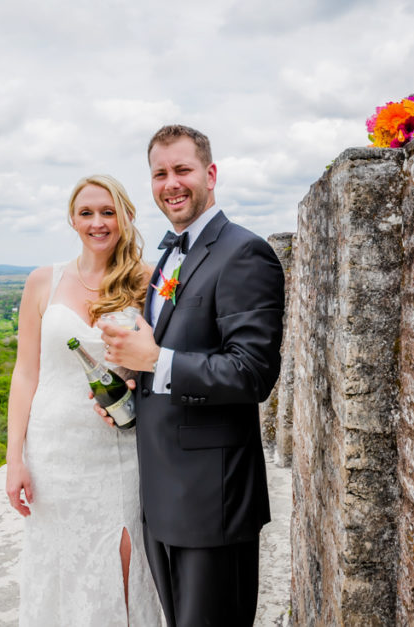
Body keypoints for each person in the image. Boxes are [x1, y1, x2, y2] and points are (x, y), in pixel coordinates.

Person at [99, 125, 285, 626]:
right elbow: (165, 356)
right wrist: (130, 382)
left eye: (182, 170)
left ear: (210, 173)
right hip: (162, 493)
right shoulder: (167, 256)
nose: (170, 183)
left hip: (212, 499)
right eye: (160, 173)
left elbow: (252, 373)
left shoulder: (244, 253)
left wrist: (155, 361)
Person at [5, 175, 163, 626]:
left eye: (108, 212)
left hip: (119, 447)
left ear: (126, 217)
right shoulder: (43, 282)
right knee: (60, 559)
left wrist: (137, 372)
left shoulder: (147, 282)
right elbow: (25, 373)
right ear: (72, 220)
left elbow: (161, 357)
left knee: (124, 554)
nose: (98, 222)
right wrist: (14, 458)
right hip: (54, 450)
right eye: (87, 213)